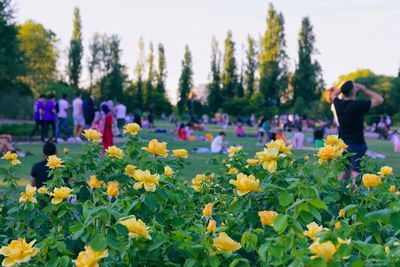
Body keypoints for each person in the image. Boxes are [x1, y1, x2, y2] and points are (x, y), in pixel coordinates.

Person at [331, 80, 384, 184]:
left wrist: (342, 86)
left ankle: (336, 192)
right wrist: (365, 90)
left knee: (344, 172)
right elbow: (379, 99)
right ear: (354, 92)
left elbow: (333, 94)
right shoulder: (359, 105)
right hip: (357, 143)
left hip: (342, 144)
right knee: (356, 172)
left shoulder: (338, 104)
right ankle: (356, 196)